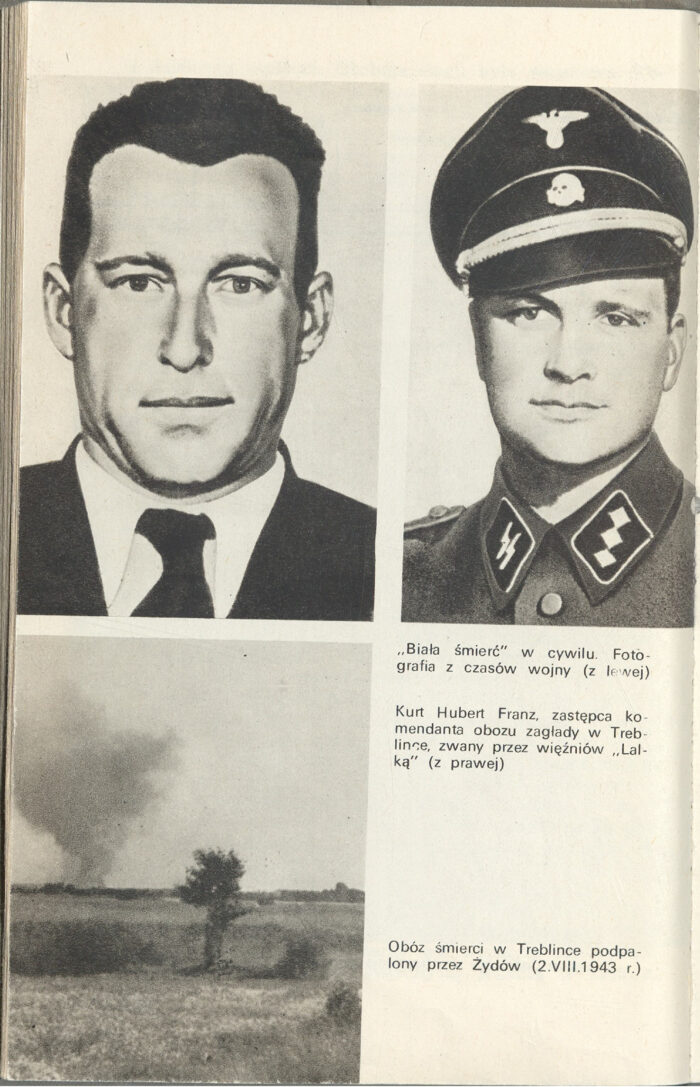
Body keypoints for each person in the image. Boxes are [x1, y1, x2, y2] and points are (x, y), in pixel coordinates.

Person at [18, 78, 375, 620]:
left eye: (239, 284)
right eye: (138, 283)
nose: (185, 348)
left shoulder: (386, 567)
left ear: (312, 319)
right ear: (63, 312)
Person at [403, 86, 694, 627]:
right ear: (478, 342)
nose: (568, 363)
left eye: (615, 318)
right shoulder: (402, 579)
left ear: (672, 352)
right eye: (528, 314)